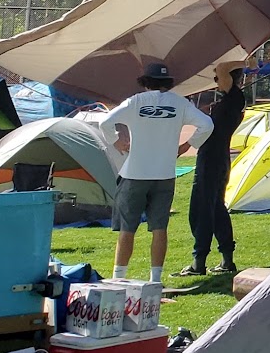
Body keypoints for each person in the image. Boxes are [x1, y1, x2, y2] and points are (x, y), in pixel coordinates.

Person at [97, 60, 213, 283]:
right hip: (165, 174)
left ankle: (118, 279)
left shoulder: (135, 102)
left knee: (127, 229)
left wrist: (116, 141)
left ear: (145, 82)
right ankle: (155, 280)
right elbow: (207, 124)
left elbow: (105, 122)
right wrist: (187, 146)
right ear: (168, 81)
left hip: (134, 174)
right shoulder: (180, 103)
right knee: (160, 228)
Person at [183, 60, 247, 276]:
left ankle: (198, 262)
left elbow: (222, 68)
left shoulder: (234, 97)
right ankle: (227, 260)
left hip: (211, 159)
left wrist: (246, 61)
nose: (216, 79)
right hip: (218, 158)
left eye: (218, 77)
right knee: (217, 209)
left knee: (201, 209)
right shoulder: (232, 100)